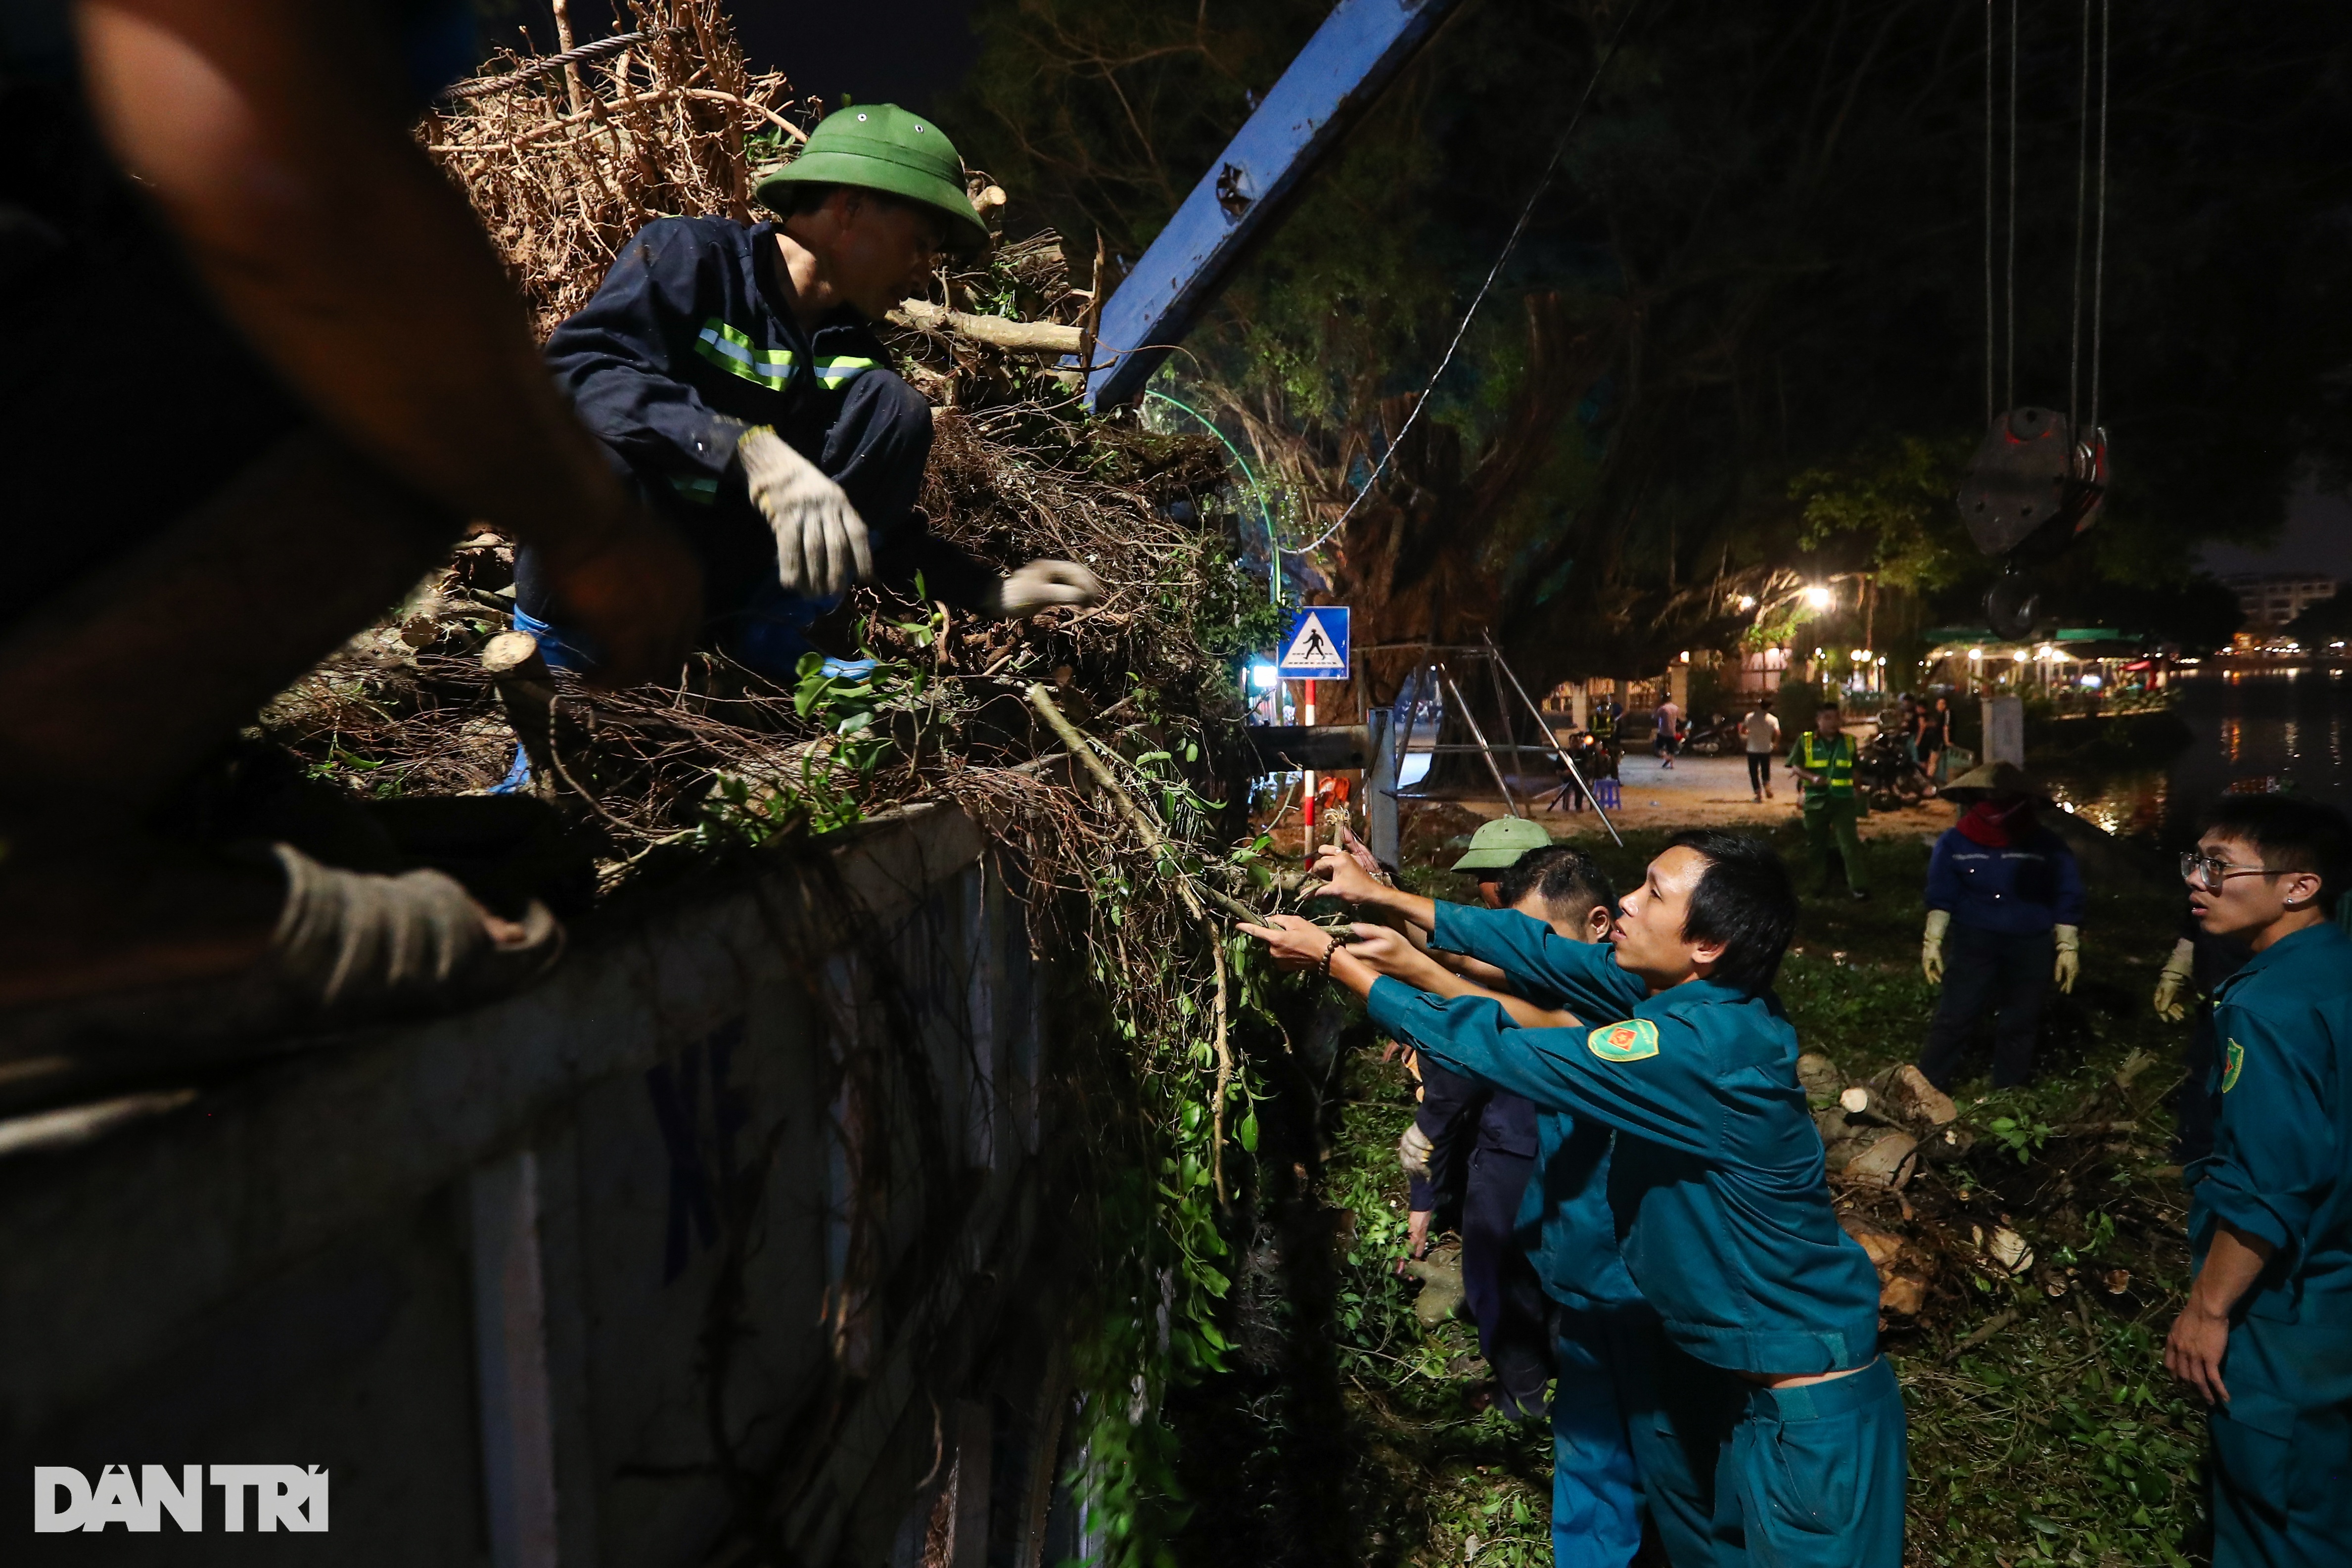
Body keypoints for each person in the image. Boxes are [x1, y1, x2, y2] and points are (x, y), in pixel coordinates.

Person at [0, 0, 702, 1039]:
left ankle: (118, 811)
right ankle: (36, 898)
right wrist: (586, 522)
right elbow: (271, 177)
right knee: (383, 388)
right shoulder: (698, 260)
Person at [1254, 830, 1905, 1568]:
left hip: (1809, 1419)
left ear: (1708, 944)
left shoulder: (1699, 1050)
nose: (1623, 901)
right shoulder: (1677, 995)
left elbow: (1509, 1049)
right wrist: (1387, 896)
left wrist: (1337, 963)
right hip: (1744, 1393)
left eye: (1652, 893)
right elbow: (1538, 948)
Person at [517, 103, 1102, 682]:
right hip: (610, 574)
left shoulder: (852, 356)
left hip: (713, 594)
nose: (925, 270)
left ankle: (767, 636)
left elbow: (865, 528)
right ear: (850, 208)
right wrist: (747, 449)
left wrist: (992, 590)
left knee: (896, 409)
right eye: (919, 242)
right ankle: (562, 668)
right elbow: (578, 375)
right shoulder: (691, 258)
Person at [2162, 795, 2352, 1566]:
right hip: (2338, 1297)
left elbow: (2269, 1180)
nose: (2196, 882)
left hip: (2285, 1311)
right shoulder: (2335, 970)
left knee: (2271, 1522)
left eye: (2217, 866)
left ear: (2297, 886)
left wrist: (2207, 1309)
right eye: (2192, 862)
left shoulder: (2266, 1006)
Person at [1395, 845, 1615, 1427]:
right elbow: (1468, 972)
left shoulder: (1619, 1003)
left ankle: (1527, 1391)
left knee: (1501, 1268)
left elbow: (1477, 1028)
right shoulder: (1582, 971)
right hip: (1527, 1151)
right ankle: (1560, 1391)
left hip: (1519, 1150)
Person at [1914, 762, 2085, 1091]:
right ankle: (1927, 1086)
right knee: (1955, 1015)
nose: (1997, 801)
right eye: (1990, 793)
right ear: (1976, 795)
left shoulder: (2046, 845)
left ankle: (2009, 1092)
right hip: (1973, 941)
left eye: (2005, 794)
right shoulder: (1954, 842)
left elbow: (2067, 892)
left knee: (2020, 1020)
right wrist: (1931, 942)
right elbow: (1940, 894)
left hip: (2030, 941)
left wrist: (2068, 946)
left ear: (2022, 797)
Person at [2152, 914, 2248, 1166]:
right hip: (2214, 993)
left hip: (2252, 994)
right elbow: (2194, 924)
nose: (2196, 881)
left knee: (2244, 1078)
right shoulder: (2203, 881)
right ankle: (2194, 1154)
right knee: (2202, 1073)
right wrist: (2176, 972)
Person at [1791, 702, 1871, 900]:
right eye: (1828, 718)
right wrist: (1812, 778)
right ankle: (1817, 886)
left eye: (1836, 717)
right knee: (1816, 844)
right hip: (1816, 801)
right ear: (1818, 720)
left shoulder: (1850, 742)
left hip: (1843, 801)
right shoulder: (1806, 741)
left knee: (1849, 843)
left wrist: (1858, 790)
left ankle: (1858, 887)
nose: (1833, 722)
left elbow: (1856, 769)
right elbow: (1796, 767)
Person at [1743, 695, 1781, 803]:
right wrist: (1775, 744)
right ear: (1770, 707)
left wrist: (1748, 734)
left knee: (1753, 772)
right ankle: (1767, 784)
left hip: (1752, 749)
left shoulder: (1750, 717)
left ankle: (1758, 794)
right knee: (1765, 770)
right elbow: (1778, 733)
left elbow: (1743, 730)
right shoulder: (1773, 719)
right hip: (1766, 749)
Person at [1916, 696, 1950, 784]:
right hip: (1933, 741)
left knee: (1931, 762)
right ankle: (1928, 779)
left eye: (1939, 704)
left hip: (1936, 741)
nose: (1937, 706)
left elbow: (1945, 728)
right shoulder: (1936, 716)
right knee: (1931, 761)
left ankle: (1928, 780)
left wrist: (1918, 741)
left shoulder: (1945, 714)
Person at [1652, 697, 1681, 769]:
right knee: (1671, 749)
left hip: (1663, 731)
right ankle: (1672, 765)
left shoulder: (1663, 708)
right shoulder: (1676, 708)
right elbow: (1678, 718)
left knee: (1658, 747)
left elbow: (1655, 717)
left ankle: (1666, 757)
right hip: (1672, 731)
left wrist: (1655, 710)